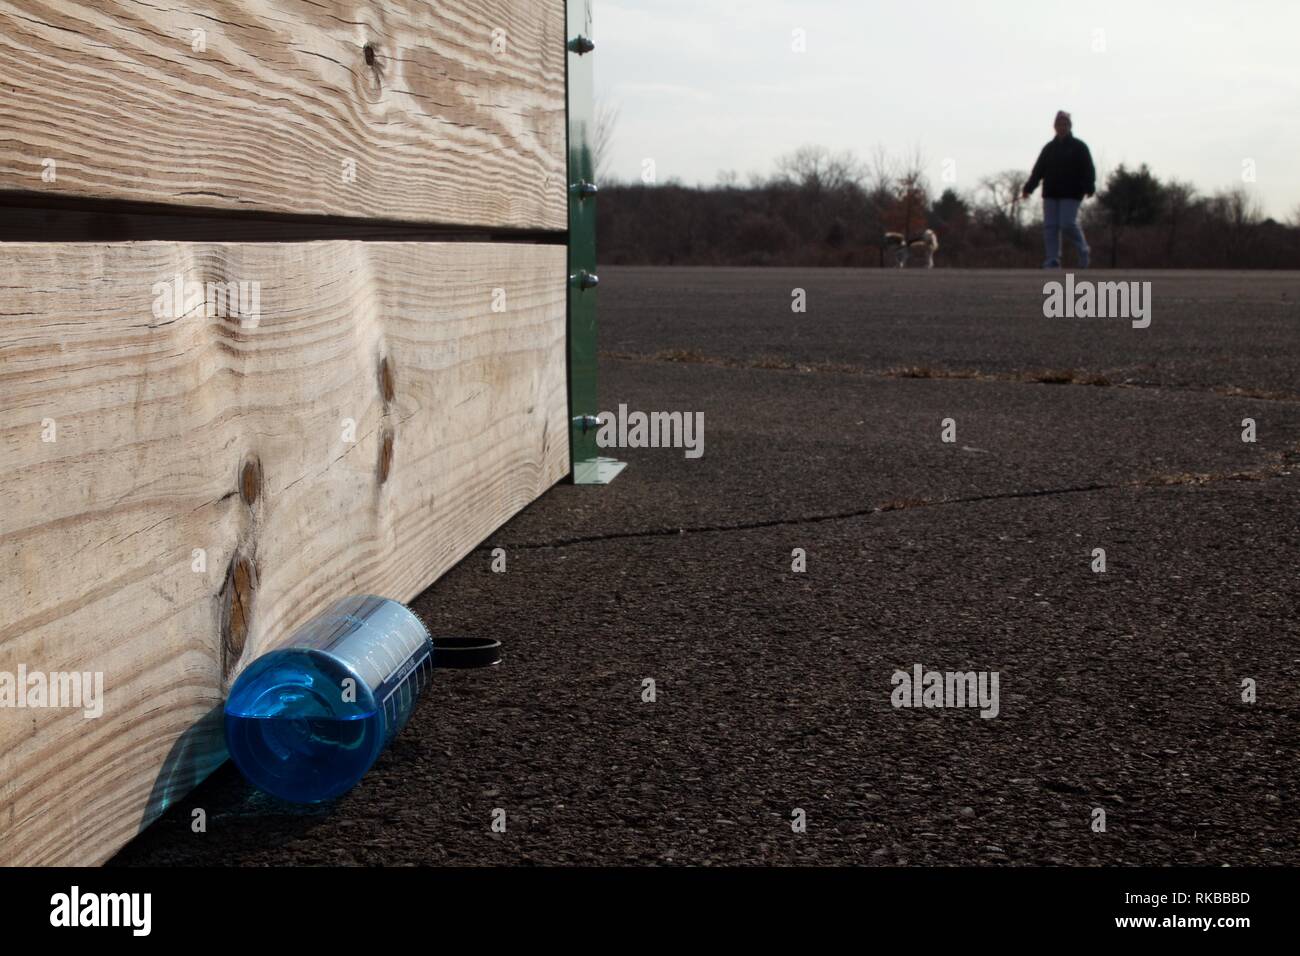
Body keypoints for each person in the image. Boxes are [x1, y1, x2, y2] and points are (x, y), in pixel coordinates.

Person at [1022, 111, 1095, 269]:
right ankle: (1053, 259)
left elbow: (1088, 168)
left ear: (1069, 126)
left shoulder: (1079, 147)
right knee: (1050, 226)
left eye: (1064, 124)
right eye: (1059, 124)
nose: (1061, 127)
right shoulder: (1049, 149)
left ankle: (1083, 250)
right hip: (1051, 193)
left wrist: (1089, 186)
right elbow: (1038, 170)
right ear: (1054, 127)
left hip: (1072, 193)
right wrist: (1029, 188)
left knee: (1067, 223)